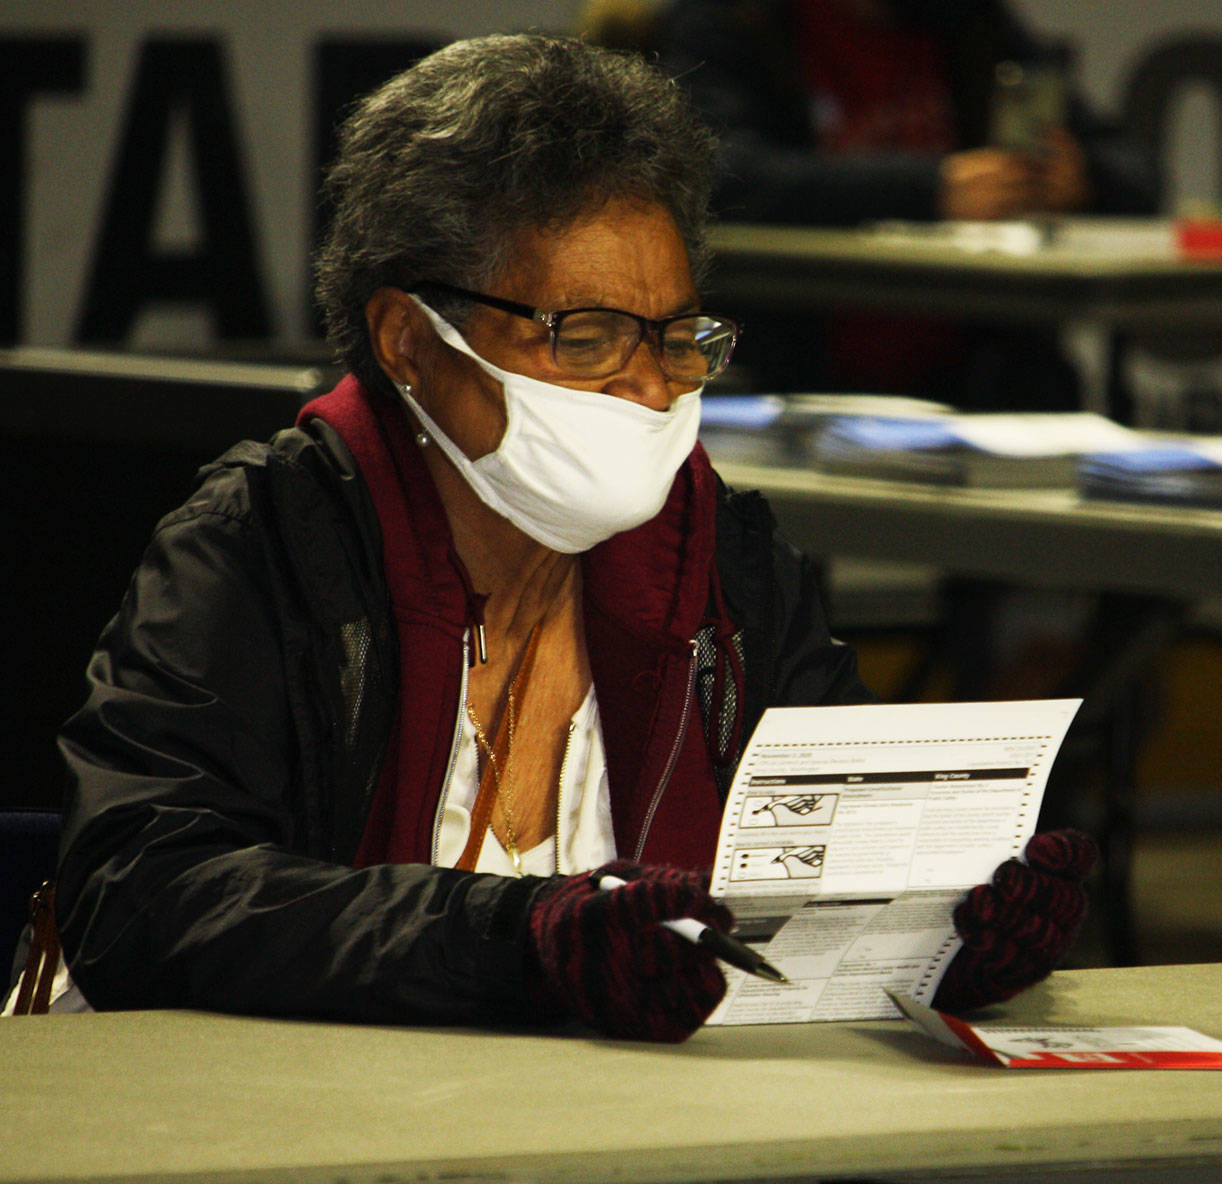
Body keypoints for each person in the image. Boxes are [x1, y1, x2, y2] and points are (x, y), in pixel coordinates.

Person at [47, 34, 1093, 1039]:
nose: (648, 387)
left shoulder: (719, 556)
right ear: (410, 339)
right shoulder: (263, 539)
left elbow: (826, 871)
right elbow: (144, 892)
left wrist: (943, 928)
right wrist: (518, 941)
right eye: (584, 338)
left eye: (678, 336)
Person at [601, 0, 1160, 401]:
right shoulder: (734, 22)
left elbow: (1138, 172)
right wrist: (934, 188)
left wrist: (1080, 178)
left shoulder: (968, 20)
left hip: (967, 363)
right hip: (787, 355)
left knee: (1043, 389)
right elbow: (721, 174)